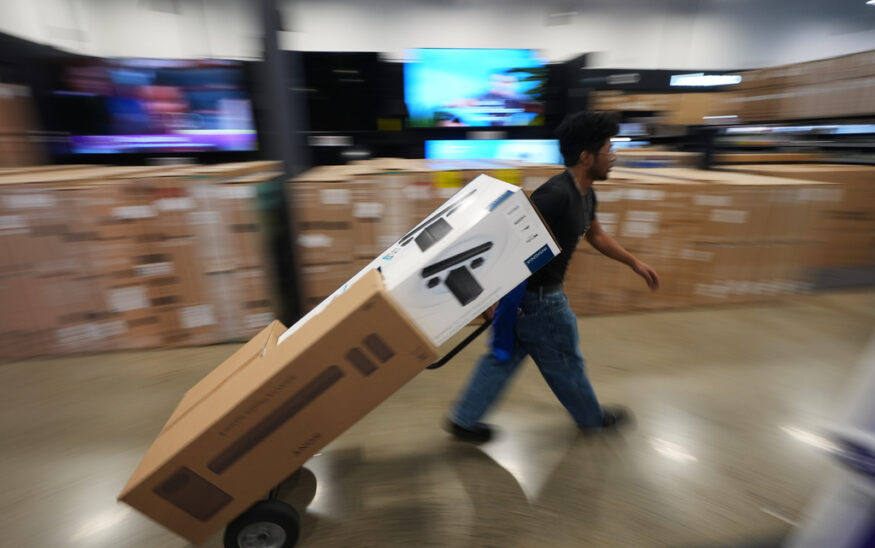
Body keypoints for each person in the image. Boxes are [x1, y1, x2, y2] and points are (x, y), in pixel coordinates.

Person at [445, 110, 660, 442]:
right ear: (587, 157)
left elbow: (595, 234)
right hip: (541, 301)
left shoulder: (585, 193)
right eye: (609, 150)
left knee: (505, 356)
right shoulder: (555, 195)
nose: (613, 158)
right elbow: (510, 241)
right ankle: (591, 419)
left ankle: (464, 418)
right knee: (565, 360)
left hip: (530, 301)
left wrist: (633, 262)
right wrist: (490, 297)